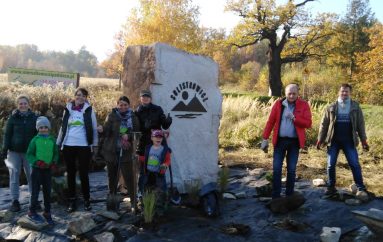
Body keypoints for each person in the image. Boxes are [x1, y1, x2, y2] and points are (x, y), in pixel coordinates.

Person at [317, 84, 369, 198]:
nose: (344, 93)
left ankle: (360, 187)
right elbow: (324, 124)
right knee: (331, 165)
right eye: (342, 91)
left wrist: (364, 140)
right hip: (333, 141)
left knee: (354, 164)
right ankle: (331, 187)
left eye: (346, 91)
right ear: (339, 92)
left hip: (349, 141)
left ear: (350, 93)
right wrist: (320, 139)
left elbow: (361, 125)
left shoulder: (355, 107)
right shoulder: (331, 107)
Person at [261, 84, 312, 199]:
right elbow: (270, 122)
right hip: (280, 141)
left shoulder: (303, 105)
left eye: (294, 93)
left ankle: (289, 195)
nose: (292, 96)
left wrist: (294, 118)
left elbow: (308, 123)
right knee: (277, 168)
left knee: (291, 169)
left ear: (298, 93)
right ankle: (276, 196)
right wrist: (265, 138)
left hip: (294, 142)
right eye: (289, 93)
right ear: (285, 93)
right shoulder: (279, 104)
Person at [57, 87, 98, 213]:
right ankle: (72, 200)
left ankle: (86, 200)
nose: (80, 97)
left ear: (86, 98)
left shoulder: (89, 110)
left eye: (83, 96)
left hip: (84, 145)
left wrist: (94, 144)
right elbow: (63, 127)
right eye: (78, 95)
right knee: (70, 173)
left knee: (84, 173)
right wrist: (58, 142)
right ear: (75, 96)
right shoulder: (68, 109)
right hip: (69, 145)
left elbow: (94, 128)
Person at [100, 96, 140, 208]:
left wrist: (130, 136)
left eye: (125, 105)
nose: (123, 107)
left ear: (129, 106)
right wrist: (102, 130)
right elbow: (106, 131)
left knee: (129, 177)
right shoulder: (111, 116)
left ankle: (133, 202)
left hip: (126, 152)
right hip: (111, 151)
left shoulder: (133, 117)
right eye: (120, 105)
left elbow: (137, 134)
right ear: (117, 105)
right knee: (112, 177)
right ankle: (112, 202)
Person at [1, 95, 37, 212]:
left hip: (29, 152)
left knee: (32, 176)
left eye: (25, 103)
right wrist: (4, 149)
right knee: (14, 177)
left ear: (28, 104)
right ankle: (15, 201)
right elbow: (7, 135)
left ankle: (34, 200)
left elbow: (39, 135)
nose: (23, 105)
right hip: (14, 152)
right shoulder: (13, 118)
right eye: (20, 103)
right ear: (18, 105)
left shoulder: (34, 117)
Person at [26, 116, 58, 225]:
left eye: (45, 127)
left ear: (49, 128)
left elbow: (56, 153)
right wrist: (37, 162)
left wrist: (54, 162)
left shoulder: (52, 140)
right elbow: (29, 154)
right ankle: (32, 211)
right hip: (37, 170)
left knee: (47, 191)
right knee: (35, 191)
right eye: (41, 127)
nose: (43, 129)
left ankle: (47, 212)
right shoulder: (34, 140)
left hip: (48, 170)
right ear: (38, 129)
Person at [139, 129, 171, 211]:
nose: (158, 138)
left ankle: (161, 208)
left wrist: (165, 164)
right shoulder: (148, 148)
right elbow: (146, 159)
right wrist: (138, 158)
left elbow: (168, 160)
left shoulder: (164, 149)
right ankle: (148, 206)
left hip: (159, 174)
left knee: (161, 191)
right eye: (156, 136)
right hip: (149, 174)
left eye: (160, 137)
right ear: (152, 138)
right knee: (147, 189)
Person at [135, 90, 172, 158]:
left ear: (151, 98)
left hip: (157, 140)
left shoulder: (158, 109)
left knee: (159, 162)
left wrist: (168, 122)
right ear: (140, 98)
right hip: (144, 142)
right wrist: (144, 127)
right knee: (144, 165)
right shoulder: (137, 112)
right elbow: (136, 129)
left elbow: (165, 126)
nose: (146, 98)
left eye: (148, 96)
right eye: (143, 96)